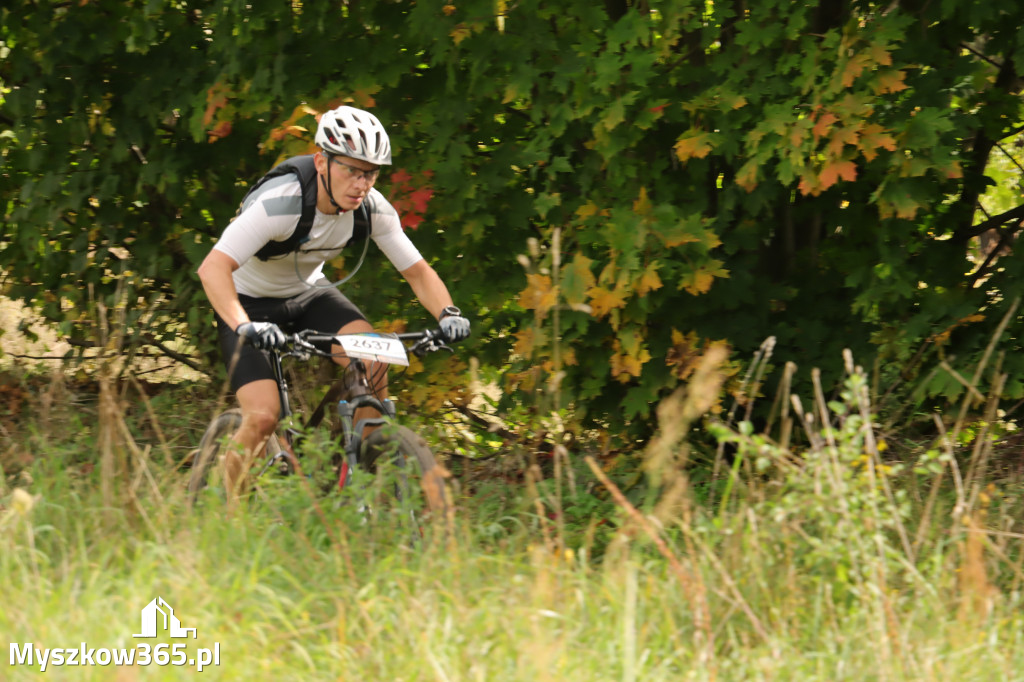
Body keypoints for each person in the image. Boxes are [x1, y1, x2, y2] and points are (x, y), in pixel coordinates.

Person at [197, 105, 470, 501]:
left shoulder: (372, 209)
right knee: (262, 416)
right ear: (321, 161)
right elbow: (213, 268)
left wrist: (448, 314)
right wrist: (243, 324)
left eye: (371, 173)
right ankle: (226, 515)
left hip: (309, 293)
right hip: (247, 302)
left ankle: (365, 469)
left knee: (375, 361)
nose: (362, 183)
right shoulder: (281, 203)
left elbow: (418, 272)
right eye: (351, 170)